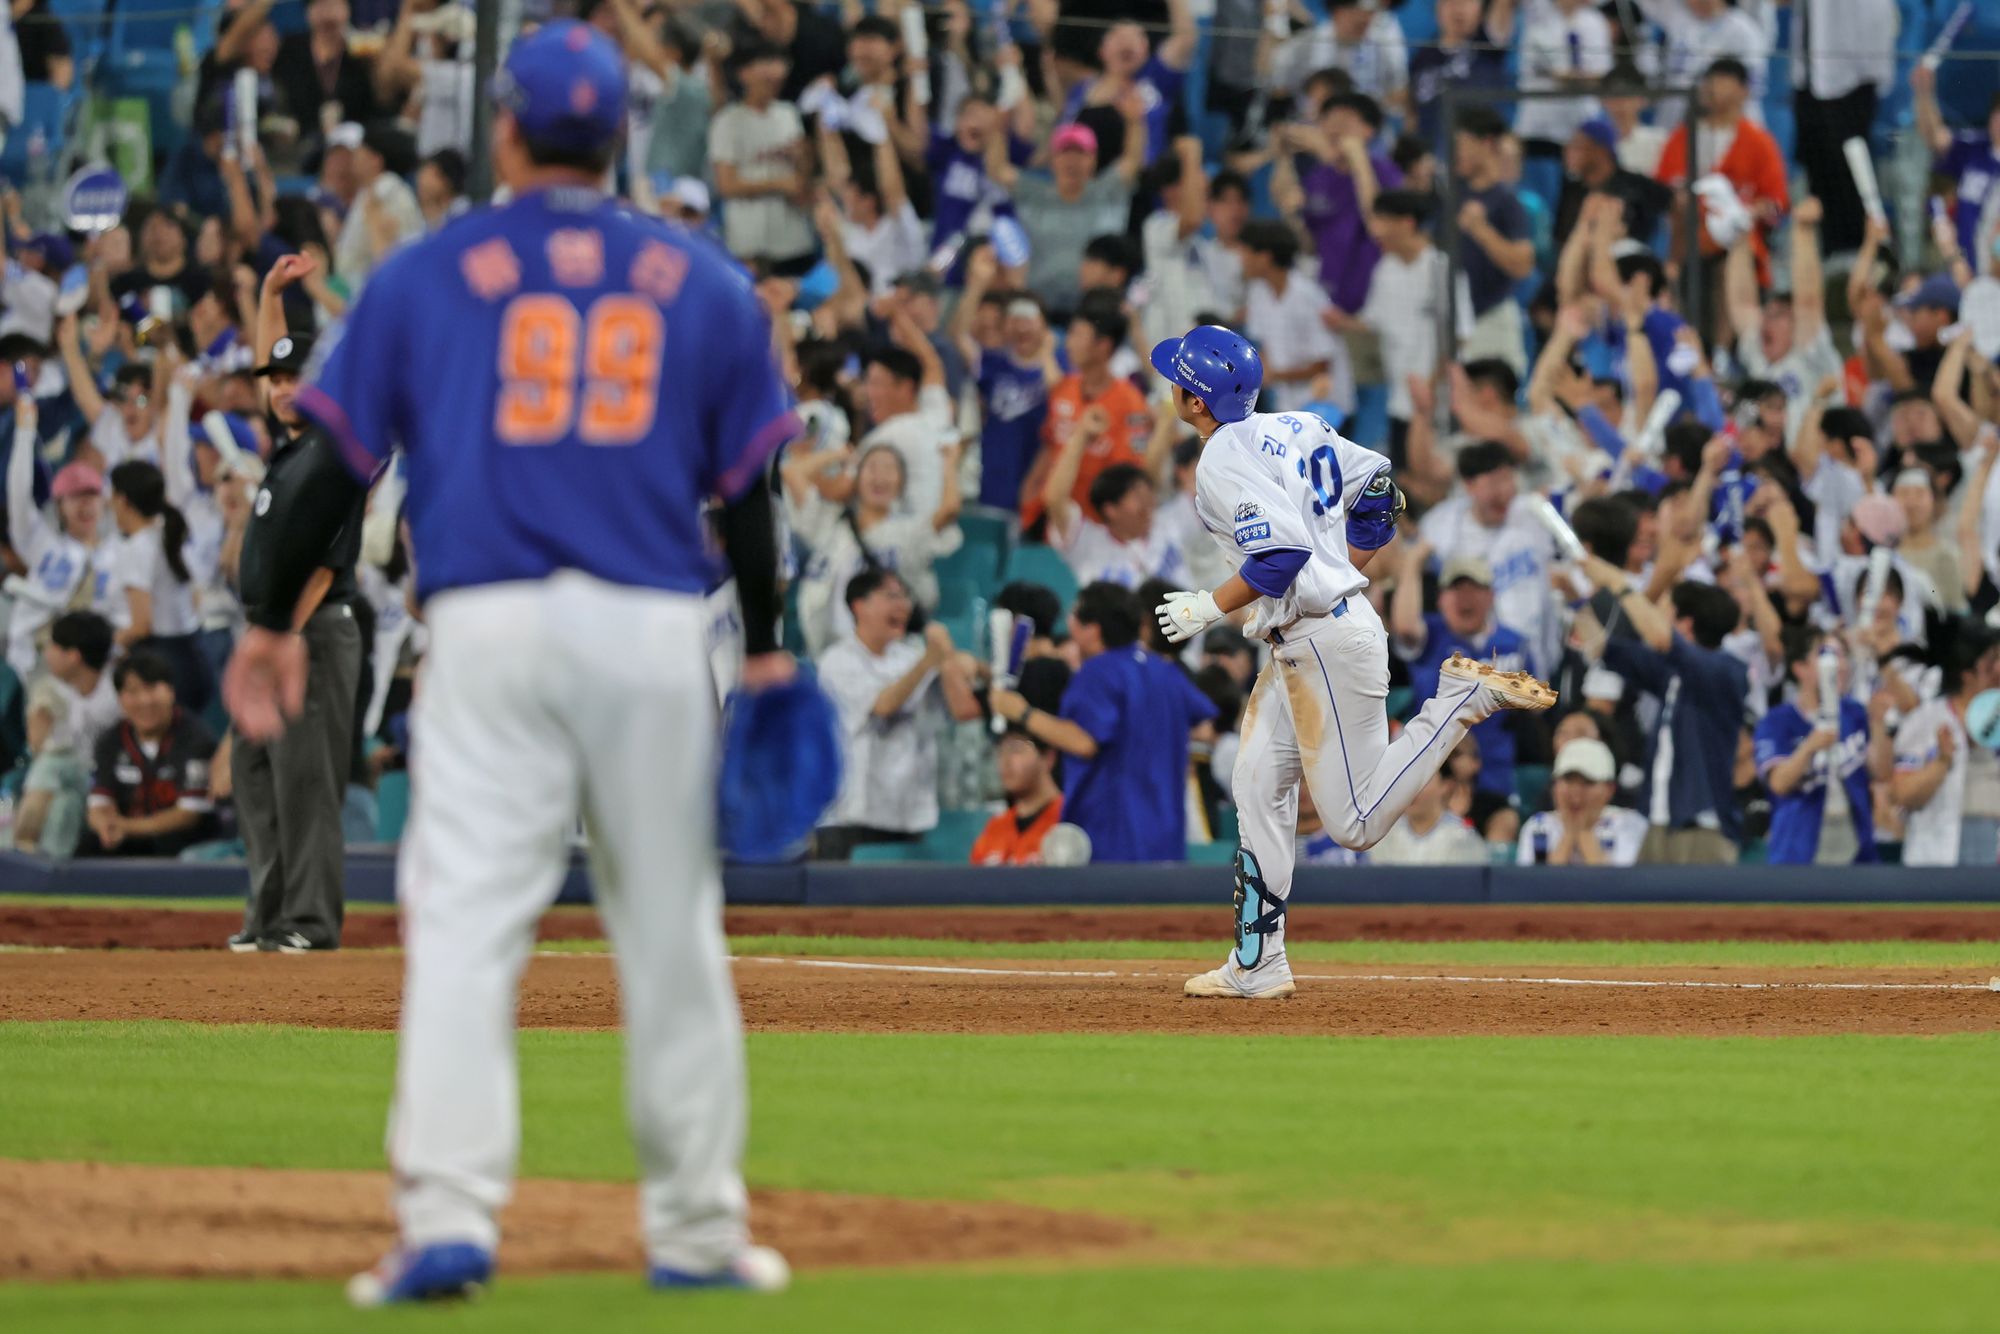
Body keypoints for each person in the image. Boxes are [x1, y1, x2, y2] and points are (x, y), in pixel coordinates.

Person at [237, 21, 806, 1301]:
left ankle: (446, 1218)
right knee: (670, 929)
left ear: (503, 129)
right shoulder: (700, 280)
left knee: (464, 927)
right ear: (616, 138)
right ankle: (700, 1230)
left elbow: (328, 462)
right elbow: (752, 491)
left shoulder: (429, 273)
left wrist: (269, 619)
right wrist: (765, 650)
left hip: (488, 629)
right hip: (652, 628)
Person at [1145, 325, 1555, 1000]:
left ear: (1194, 401)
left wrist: (1210, 606)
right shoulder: (1297, 425)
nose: (1173, 390)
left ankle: (1457, 702)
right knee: (1254, 786)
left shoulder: (1221, 457)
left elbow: (1281, 558)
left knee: (1355, 824)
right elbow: (1381, 497)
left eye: (1179, 383)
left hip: (1326, 645)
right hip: (1309, 636)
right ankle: (1259, 963)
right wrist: (1341, 571)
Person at [226, 256, 368, 955]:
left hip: (311, 631)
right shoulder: (292, 451)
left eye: (296, 380)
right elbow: (270, 360)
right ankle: (269, 917)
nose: (283, 390)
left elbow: (321, 564)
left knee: (304, 779)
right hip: (271, 633)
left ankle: (308, 923)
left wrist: (281, 633)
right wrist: (268, 294)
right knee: (254, 773)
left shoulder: (334, 458)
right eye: (277, 381)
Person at [987, 581, 1216, 862]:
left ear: (1092, 629)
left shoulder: (1098, 671)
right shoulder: (1166, 671)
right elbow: (1205, 724)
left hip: (1112, 837)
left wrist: (1021, 712)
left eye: (1075, 617)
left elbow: (1085, 742)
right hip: (1165, 840)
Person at [1578, 555, 1750, 864]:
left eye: (1666, 610)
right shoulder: (1673, 675)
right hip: (1657, 824)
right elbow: (1598, 645)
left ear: (1685, 624)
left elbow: (1659, 636)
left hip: (1702, 828)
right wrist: (1580, 594)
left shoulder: (1725, 672)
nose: (1658, 615)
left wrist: (1618, 582)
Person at [815, 569, 982, 859]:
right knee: (844, 905)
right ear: (859, 605)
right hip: (851, 817)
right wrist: (930, 660)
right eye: (891, 596)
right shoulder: (837, 661)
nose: (903, 605)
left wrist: (959, 662)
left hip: (908, 814)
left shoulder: (908, 656)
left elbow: (961, 706)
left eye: (905, 597)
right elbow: (883, 705)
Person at [1390, 548, 1530, 803]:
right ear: (1441, 598)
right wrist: (1412, 561)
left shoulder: (1514, 644)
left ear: (1490, 596)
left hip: (1496, 771)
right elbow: (1405, 626)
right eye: (1456, 589)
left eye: (1474, 589)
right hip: (1433, 771)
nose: (1465, 598)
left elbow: (1537, 705)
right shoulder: (1431, 634)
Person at [1754, 630, 1894, 865]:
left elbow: (1881, 772)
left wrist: (1878, 724)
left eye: (1842, 656)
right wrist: (1810, 747)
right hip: (1798, 851)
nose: (1840, 665)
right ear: (1800, 669)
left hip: (1855, 846)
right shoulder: (1777, 721)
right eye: (1828, 656)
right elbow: (1778, 783)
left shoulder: (1854, 712)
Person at [5, 399, 122, 679]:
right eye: (75, 497)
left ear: (104, 502)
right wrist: (24, 433)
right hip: (31, 661)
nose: (85, 506)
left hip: (85, 670)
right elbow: (18, 498)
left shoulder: (119, 554)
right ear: (59, 505)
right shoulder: (43, 545)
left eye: (91, 496)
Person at [1022, 299, 1149, 527]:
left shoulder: (1132, 404)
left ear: (1104, 346)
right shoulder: (1063, 389)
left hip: (1097, 528)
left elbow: (1130, 473)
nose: (1069, 343)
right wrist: (1030, 490)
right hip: (1050, 519)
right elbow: (1050, 446)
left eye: (1078, 335)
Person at [83, 652, 219, 858]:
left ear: (171, 691)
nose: (145, 700)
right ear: (120, 698)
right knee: (89, 844)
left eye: (152, 688)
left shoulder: (196, 738)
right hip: (128, 836)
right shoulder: (110, 740)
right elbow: (100, 801)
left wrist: (126, 827)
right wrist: (104, 825)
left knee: (172, 843)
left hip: (182, 839)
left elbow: (188, 815)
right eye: (133, 691)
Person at [1892, 623, 2000, 867]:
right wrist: (1942, 762)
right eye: (1993, 659)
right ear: (1968, 671)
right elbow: (1903, 795)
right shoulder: (1926, 721)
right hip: (1935, 865)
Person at [108, 461, 209, 715]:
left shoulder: (137, 548)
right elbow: (195, 597)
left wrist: (107, 645)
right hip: (195, 650)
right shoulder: (170, 534)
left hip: (165, 661)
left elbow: (142, 625)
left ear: (122, 501)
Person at [15, 611, 119, 857]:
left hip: (113, 784)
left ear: (73, 656)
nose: (46, 653)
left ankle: (21, 843)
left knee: (55, 763)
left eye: (52, 646)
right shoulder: (63, 691)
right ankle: (48, 872)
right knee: (63, 805)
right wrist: (38, 718)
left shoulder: (116, 694)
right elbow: (38, 746)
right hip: (82, 786)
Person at [708, 41, 815, 275]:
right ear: (744, 73)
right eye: (765, 64)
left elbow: (803, 177)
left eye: (777, 64)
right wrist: (778, 184)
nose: (774, 72)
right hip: (748, 242)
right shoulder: (727, 120)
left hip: (792, 238)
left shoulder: (788, 114)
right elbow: (726, 184)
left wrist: (803, 157)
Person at [1515, 737, 1647, 866]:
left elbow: (1615, 885)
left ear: (1609, 789)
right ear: (1554, 786)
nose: (1576, 792)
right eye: (1568, 780)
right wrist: (1569, 834)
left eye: (1588, 782)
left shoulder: (1629, 824)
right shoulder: (1538, 826)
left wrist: (1584, 831)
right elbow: (1535, 885)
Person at [968, 730, 1065, 865]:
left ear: (1049, 757)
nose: (1005, 761)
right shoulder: (994, 828)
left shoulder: (1069, 819)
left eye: (1016, 749)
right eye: (1000, 751)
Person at [1365, 770, 1488, 866]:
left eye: (1421, 781)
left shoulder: (1461, 836)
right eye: (1405, 781)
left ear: (1446, 786)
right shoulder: (1384, 835)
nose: (1410, 790)